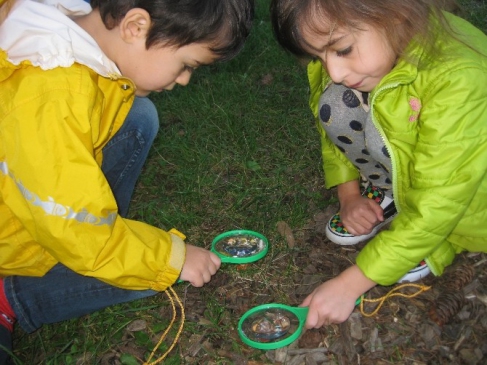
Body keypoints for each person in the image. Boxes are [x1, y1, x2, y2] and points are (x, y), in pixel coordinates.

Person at [0, 0, 254, 361]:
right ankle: (11, 294)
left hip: (31, 205)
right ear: (135, 26)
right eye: (186, 65)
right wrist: (172, 257)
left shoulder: (71, 27)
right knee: (151, 275)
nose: (184, 80)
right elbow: (80, 233)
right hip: (15, 244)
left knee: (138, 117)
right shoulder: (51, 94)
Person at [270, 0, 487, 328]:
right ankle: (393, 193)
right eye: (317, 57)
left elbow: (441, 199)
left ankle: (443, 239)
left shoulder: (459, 78)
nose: (334, 71)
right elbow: (325, 117)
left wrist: (351, 283)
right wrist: (348, 194)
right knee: (335, 103)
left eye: (342, 50)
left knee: (436, 212)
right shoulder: (342, 37)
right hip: (436, 181)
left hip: (471, 205)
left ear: (395, 12)